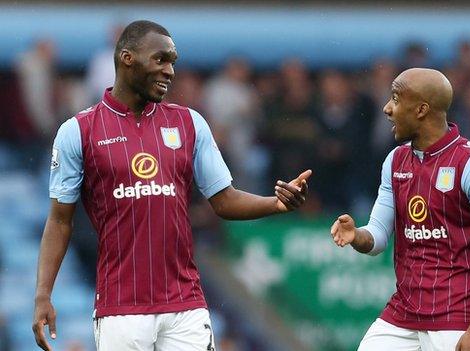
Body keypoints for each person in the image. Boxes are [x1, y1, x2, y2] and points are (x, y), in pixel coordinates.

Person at [32, 20, 311, 351]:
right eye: (160, 59)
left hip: (185, 306)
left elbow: (224, 200)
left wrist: (275, 204)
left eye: (173, 61)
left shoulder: (189, 123)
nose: (170, 71)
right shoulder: (78, 131)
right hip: (120, 310)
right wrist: (43, 294)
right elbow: (60, 220)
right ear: (127, 58)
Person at [330, 68, 470, 351]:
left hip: (456, 317)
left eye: (395, 99)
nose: (387, 108)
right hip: (403, 313)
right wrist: (356, 235)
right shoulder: (395, 161)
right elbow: (377, 235)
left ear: (421, 110)